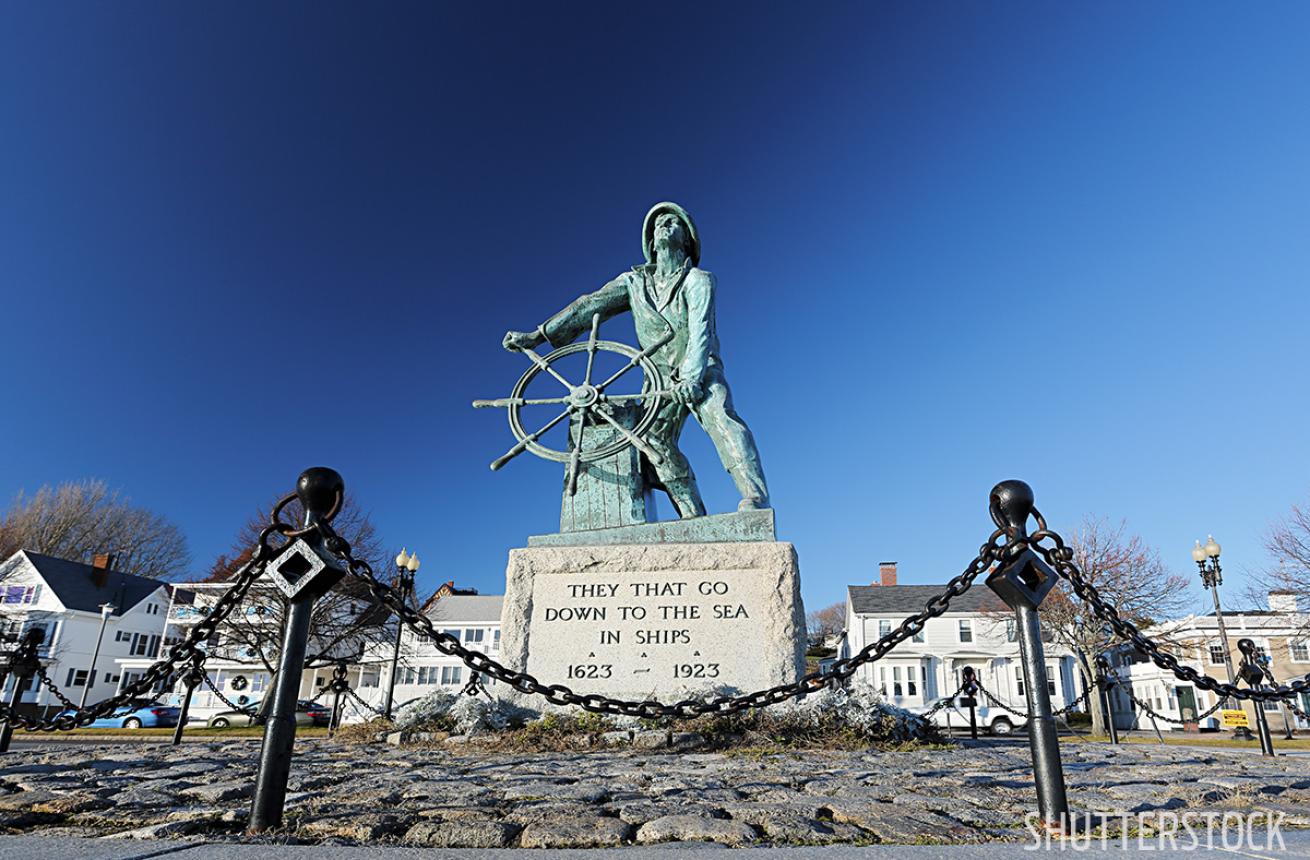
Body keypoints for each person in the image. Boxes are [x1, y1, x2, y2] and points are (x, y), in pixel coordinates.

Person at [503, 202, 769, 518]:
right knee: (650, 443)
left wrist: (693, 376)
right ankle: (692, 514)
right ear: (650, 242)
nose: (664, 226)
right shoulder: (633, 282)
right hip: (657, 377)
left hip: (699, 367)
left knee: (719, 416)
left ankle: (755, 499)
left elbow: (701, 330)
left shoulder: (699, 280)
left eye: (673, 222)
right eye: (658, 223)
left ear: (687, 239)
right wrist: (538, 336)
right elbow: (588, 306)